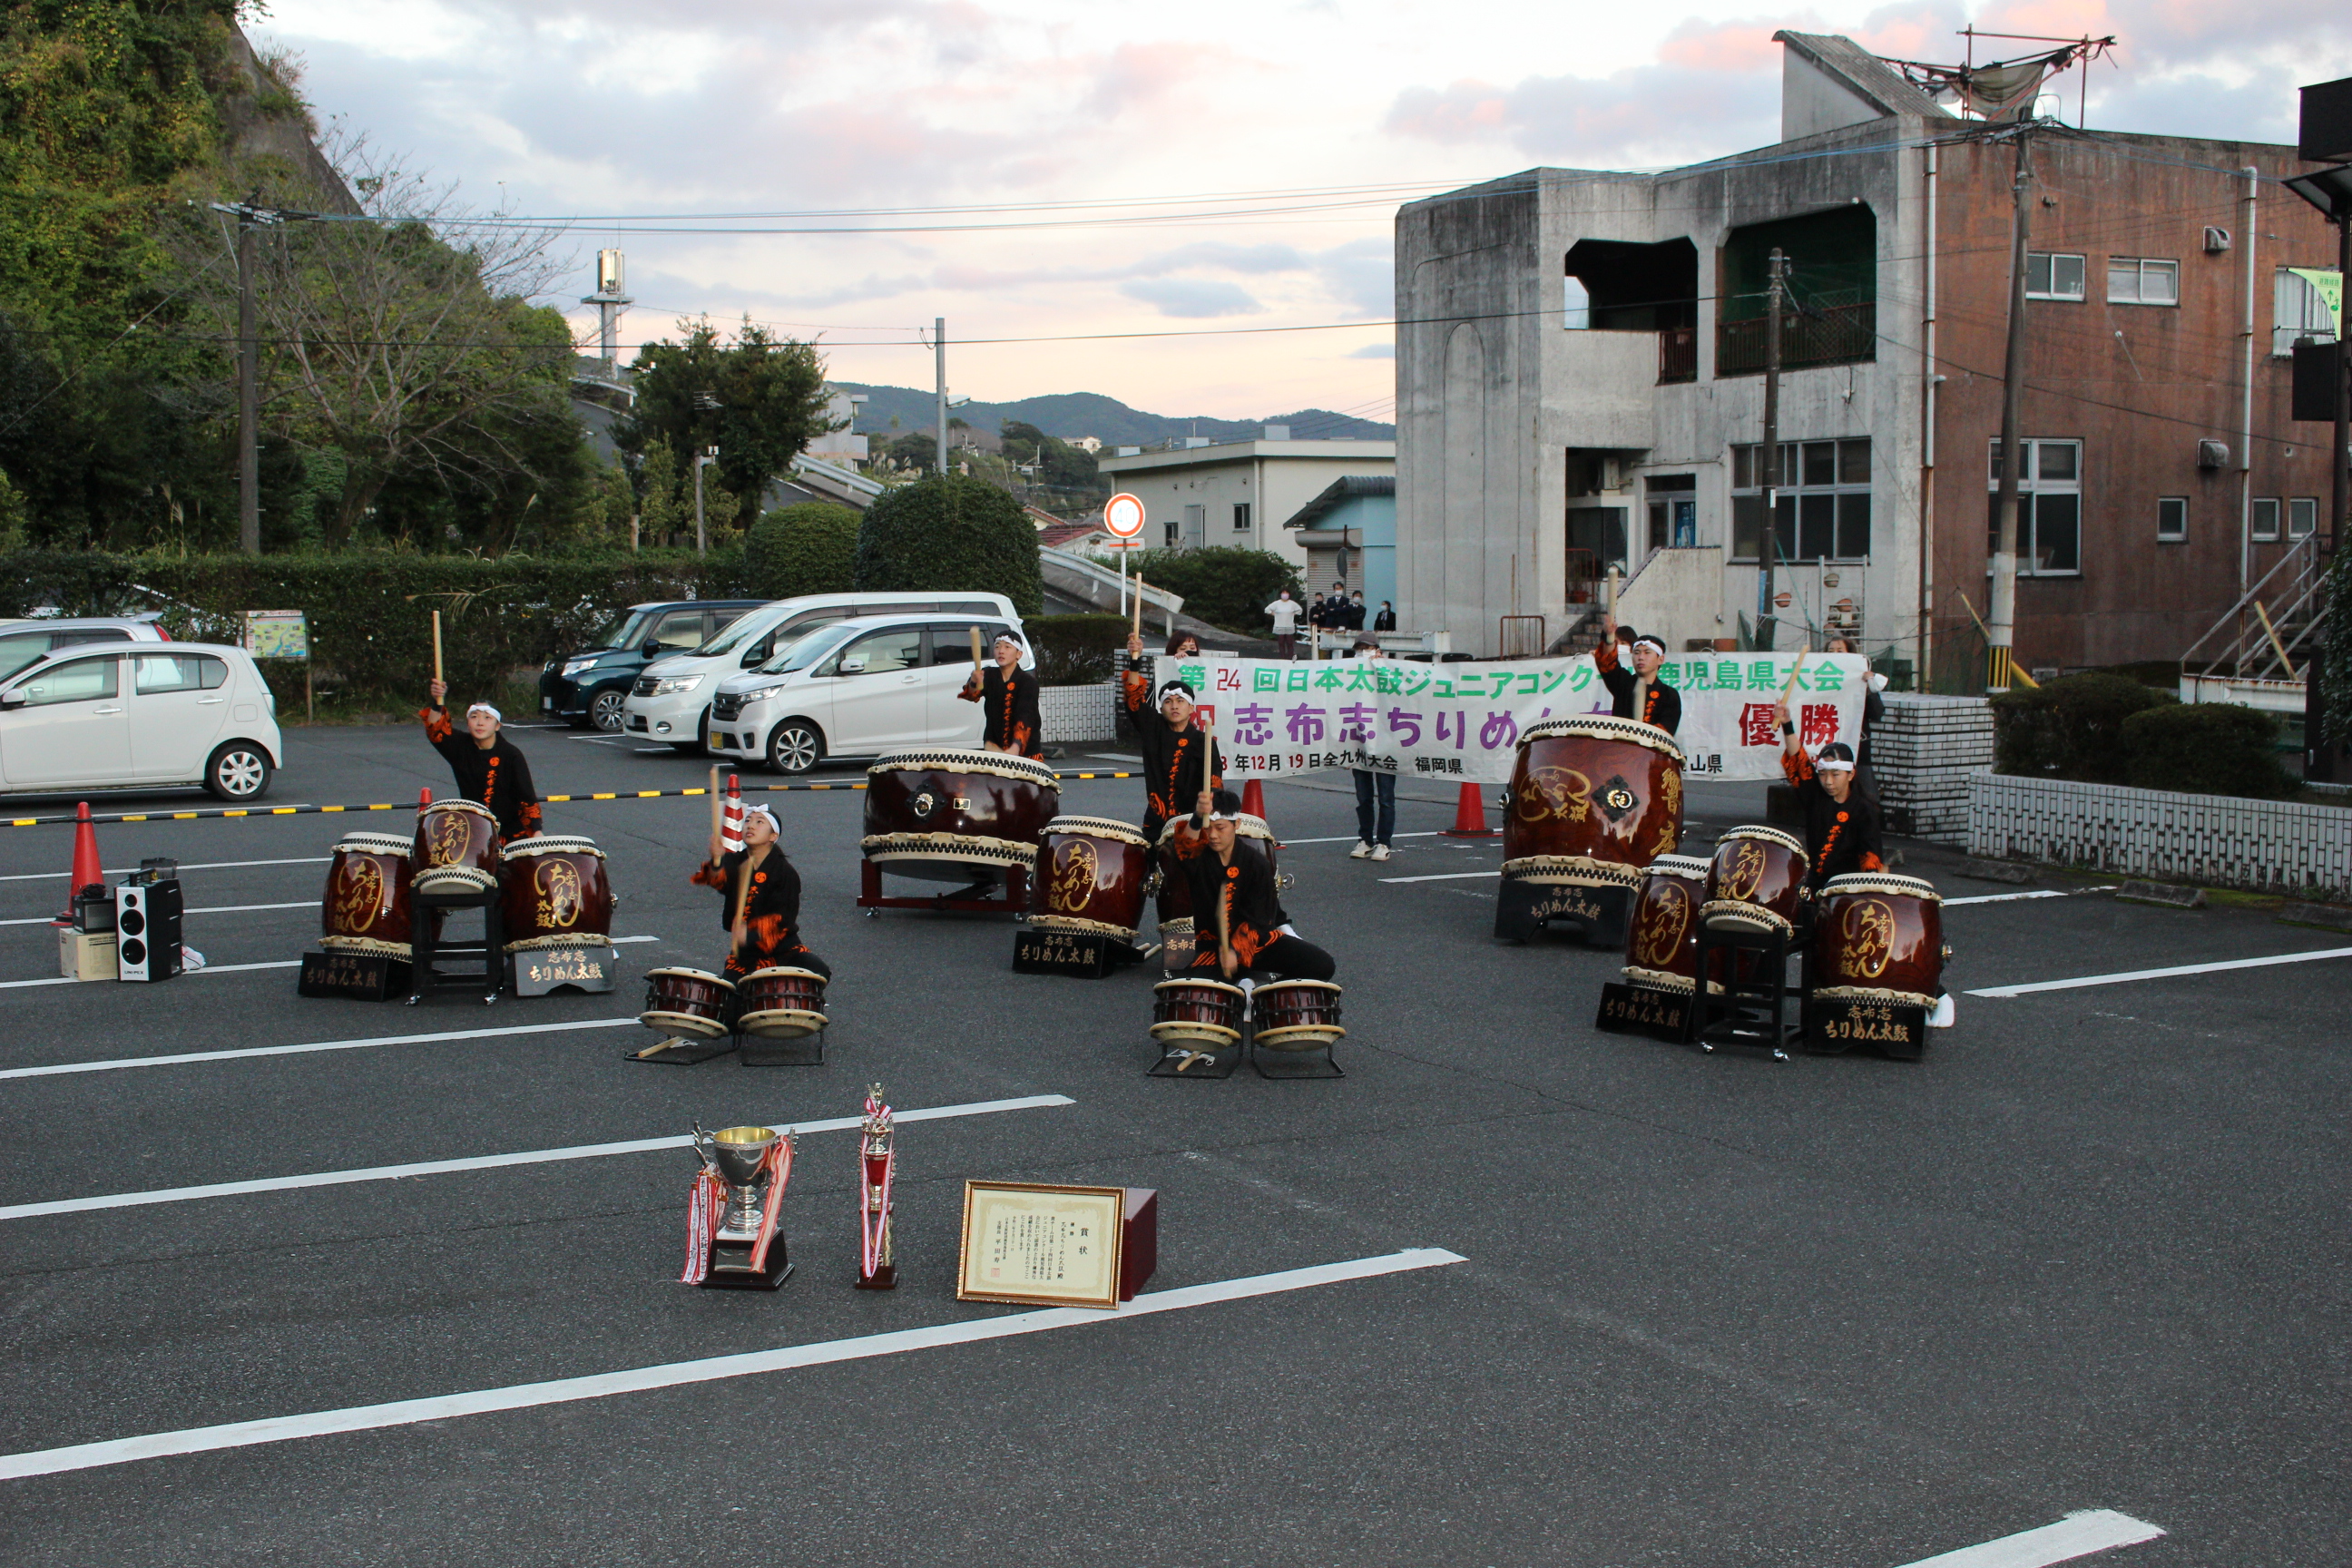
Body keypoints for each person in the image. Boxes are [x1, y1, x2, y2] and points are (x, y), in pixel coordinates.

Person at [1170, 788, 1335, 982]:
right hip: (1214, 947)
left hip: (1256, 942)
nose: (1213, 835)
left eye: (1220, 828)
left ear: (1236, 824)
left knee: (1322, 965)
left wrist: (1235, 950)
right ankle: (1243, 987)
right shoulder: (1199, 858)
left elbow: (1260, 918)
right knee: (1202, 994)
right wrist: (1198, 816)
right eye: (1208, 828)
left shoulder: (1256, 863)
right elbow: (1184, 845)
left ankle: (1266, 995)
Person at [691, 803, 828, 982]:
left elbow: (784, 918)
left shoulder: (785, 872)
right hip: (747, 955)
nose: (751, 825)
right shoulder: (735, 861)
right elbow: (719, 882)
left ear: (773, 836)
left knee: (819, 973)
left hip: (783, 950)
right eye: (748, 821)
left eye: (759, 822)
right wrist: (717, 861)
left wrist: (750, 934)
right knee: (730, 992)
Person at [1122, 630, 1222, 846]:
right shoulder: (1153, 728)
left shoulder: (1203, 741)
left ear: (1191, 708)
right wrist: (1135, 658)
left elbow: (1215, 783)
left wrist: (1206, 811)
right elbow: (1133, 698)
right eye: (1169, 701)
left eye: (1180, 701)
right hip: (1157, 818)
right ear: (1161, 707)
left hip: (1192, 820)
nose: (1174, 705)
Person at [1774, 703, 1882, 888]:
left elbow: (1870, 855)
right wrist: (1787, 724)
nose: (1828, 781)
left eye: (1835, 775)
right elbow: (1799, 762)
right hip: (1816, 883)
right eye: (1823, 774)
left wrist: (1869, 886)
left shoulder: (1864, 810)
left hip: (1848, 887)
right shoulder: (1816, 795)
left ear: (1850, 774)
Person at [422, 677, 541, 841]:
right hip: (473, 833)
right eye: (474, 717)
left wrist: (536, 831)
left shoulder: (511, 754)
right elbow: (436, 731)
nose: (480, 723)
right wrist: (437, 702)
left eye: (487, 718)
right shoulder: (460, 747)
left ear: (497, 725)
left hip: (511, 834)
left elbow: (526, 796)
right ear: (468, 722)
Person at [1346, 633, 1396, 861]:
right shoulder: (1349, 673)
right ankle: (1365, 839)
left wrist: (1383, 665)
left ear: (1377, 649)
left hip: (1385, 742)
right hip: (1360, 742)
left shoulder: (1389, 671)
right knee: (1363, 797)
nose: (1364, 651)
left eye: (1368, 648)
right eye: (1360, 648)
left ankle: (1384, 843)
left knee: (1386, 797)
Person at [1592, 610, 1681, 735]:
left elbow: (1666, 731)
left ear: (1660, 659)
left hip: (1651, 752)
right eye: (1637, 652)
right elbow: (1607, 663)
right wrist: (1609, 638)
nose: (1641, 657)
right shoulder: (1623, 683)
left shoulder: (1669, 695)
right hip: (1620, 749)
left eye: (1647, 653)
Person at [957, 633, 1044, 759]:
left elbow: (1026, 715)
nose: (1001, 651)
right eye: (997, 647)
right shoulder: (988, 675)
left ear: (1018, 654)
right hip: (994, 746)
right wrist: (974, 682)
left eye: (1007, 647)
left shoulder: (1028, 682)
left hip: (1026, 752)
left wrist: (1015, 747)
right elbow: (971, 696)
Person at [1264, 589, 1302, 660]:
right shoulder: (1276, 603)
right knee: (1281, 643)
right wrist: (1273, 614)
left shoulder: (1292, 603)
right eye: (1283, 593)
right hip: (1279, 625)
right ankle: (1282, 657)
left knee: (1289, 642)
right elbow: (1267, 609)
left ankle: (1290, 657)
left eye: (1286, 592)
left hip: (1289, 625)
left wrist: (1293, 614)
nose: (1285, 594)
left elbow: (1300, 610)